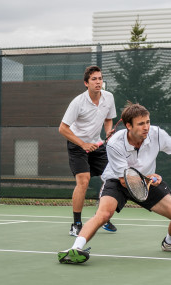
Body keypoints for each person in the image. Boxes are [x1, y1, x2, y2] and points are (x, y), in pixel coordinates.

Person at [58, 102, 171, 264]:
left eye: (148, 122)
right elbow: (125, 180)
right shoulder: (115, 143)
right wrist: (149, 177)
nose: (146, 127)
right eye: (141, 124)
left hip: (146, 183)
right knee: (103, 215)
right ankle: (75, 249)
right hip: (118, 182)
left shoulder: (157, 134)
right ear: (128, 126)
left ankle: (170, 243)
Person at [59, 65, 118, 237]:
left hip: (97, 145)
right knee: (83, 182)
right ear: (86, 83)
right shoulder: (78, 102)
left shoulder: (109, 98)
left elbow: (108, 119)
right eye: (94, 79)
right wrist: (83, 144)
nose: (98, 82)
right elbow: (62, 128)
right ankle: (76, 224)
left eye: (100, 78)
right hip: (77, 145)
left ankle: (103, 218)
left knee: (111, 178)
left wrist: (108, 132)